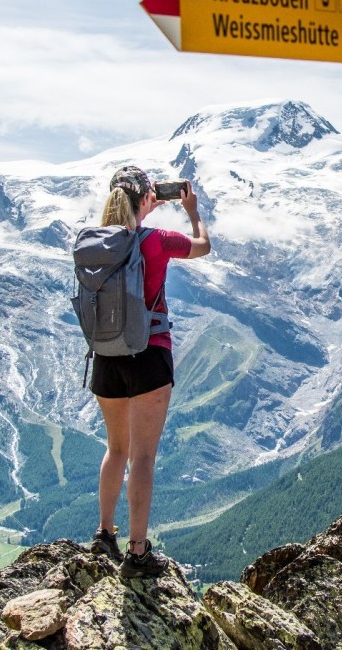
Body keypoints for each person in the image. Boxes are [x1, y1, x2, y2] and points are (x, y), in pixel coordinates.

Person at [86, 165, 210, 577]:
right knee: (142, 457)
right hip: (149, 354)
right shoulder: (155, 240)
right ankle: (137, 553)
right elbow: (202, 246)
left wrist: (139, 211)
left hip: (106, 358)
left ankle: (104, 535)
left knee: (115, 449)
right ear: (145, 200)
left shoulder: (95, 245)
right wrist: (191, 211)